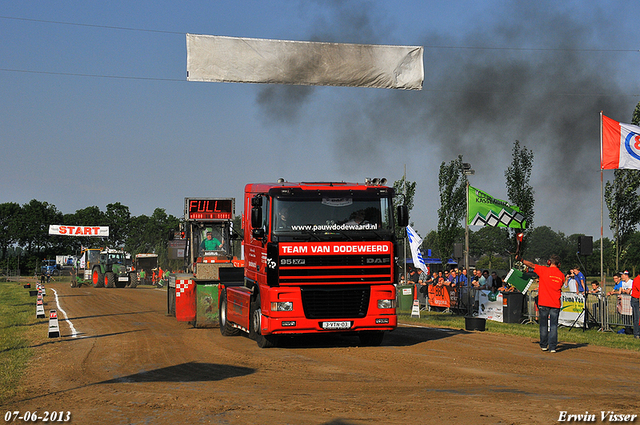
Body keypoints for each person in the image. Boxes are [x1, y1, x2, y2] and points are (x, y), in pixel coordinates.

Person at [520, 254, 565, 353]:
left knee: (543, 325)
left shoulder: (544, 270)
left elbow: (531, 265)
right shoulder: (561, 275)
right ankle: (553, 347)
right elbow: (561, 284)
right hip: (555, 303)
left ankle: (544, 345)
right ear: (559, 264)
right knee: (553, 326)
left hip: (544, 302)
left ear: (549, 262)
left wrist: (521, 259)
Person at [631, 274, 640, 339]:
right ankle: (636, 333)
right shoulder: (637, 280)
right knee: (637, 317)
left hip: (637, 299)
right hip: (636, 299)